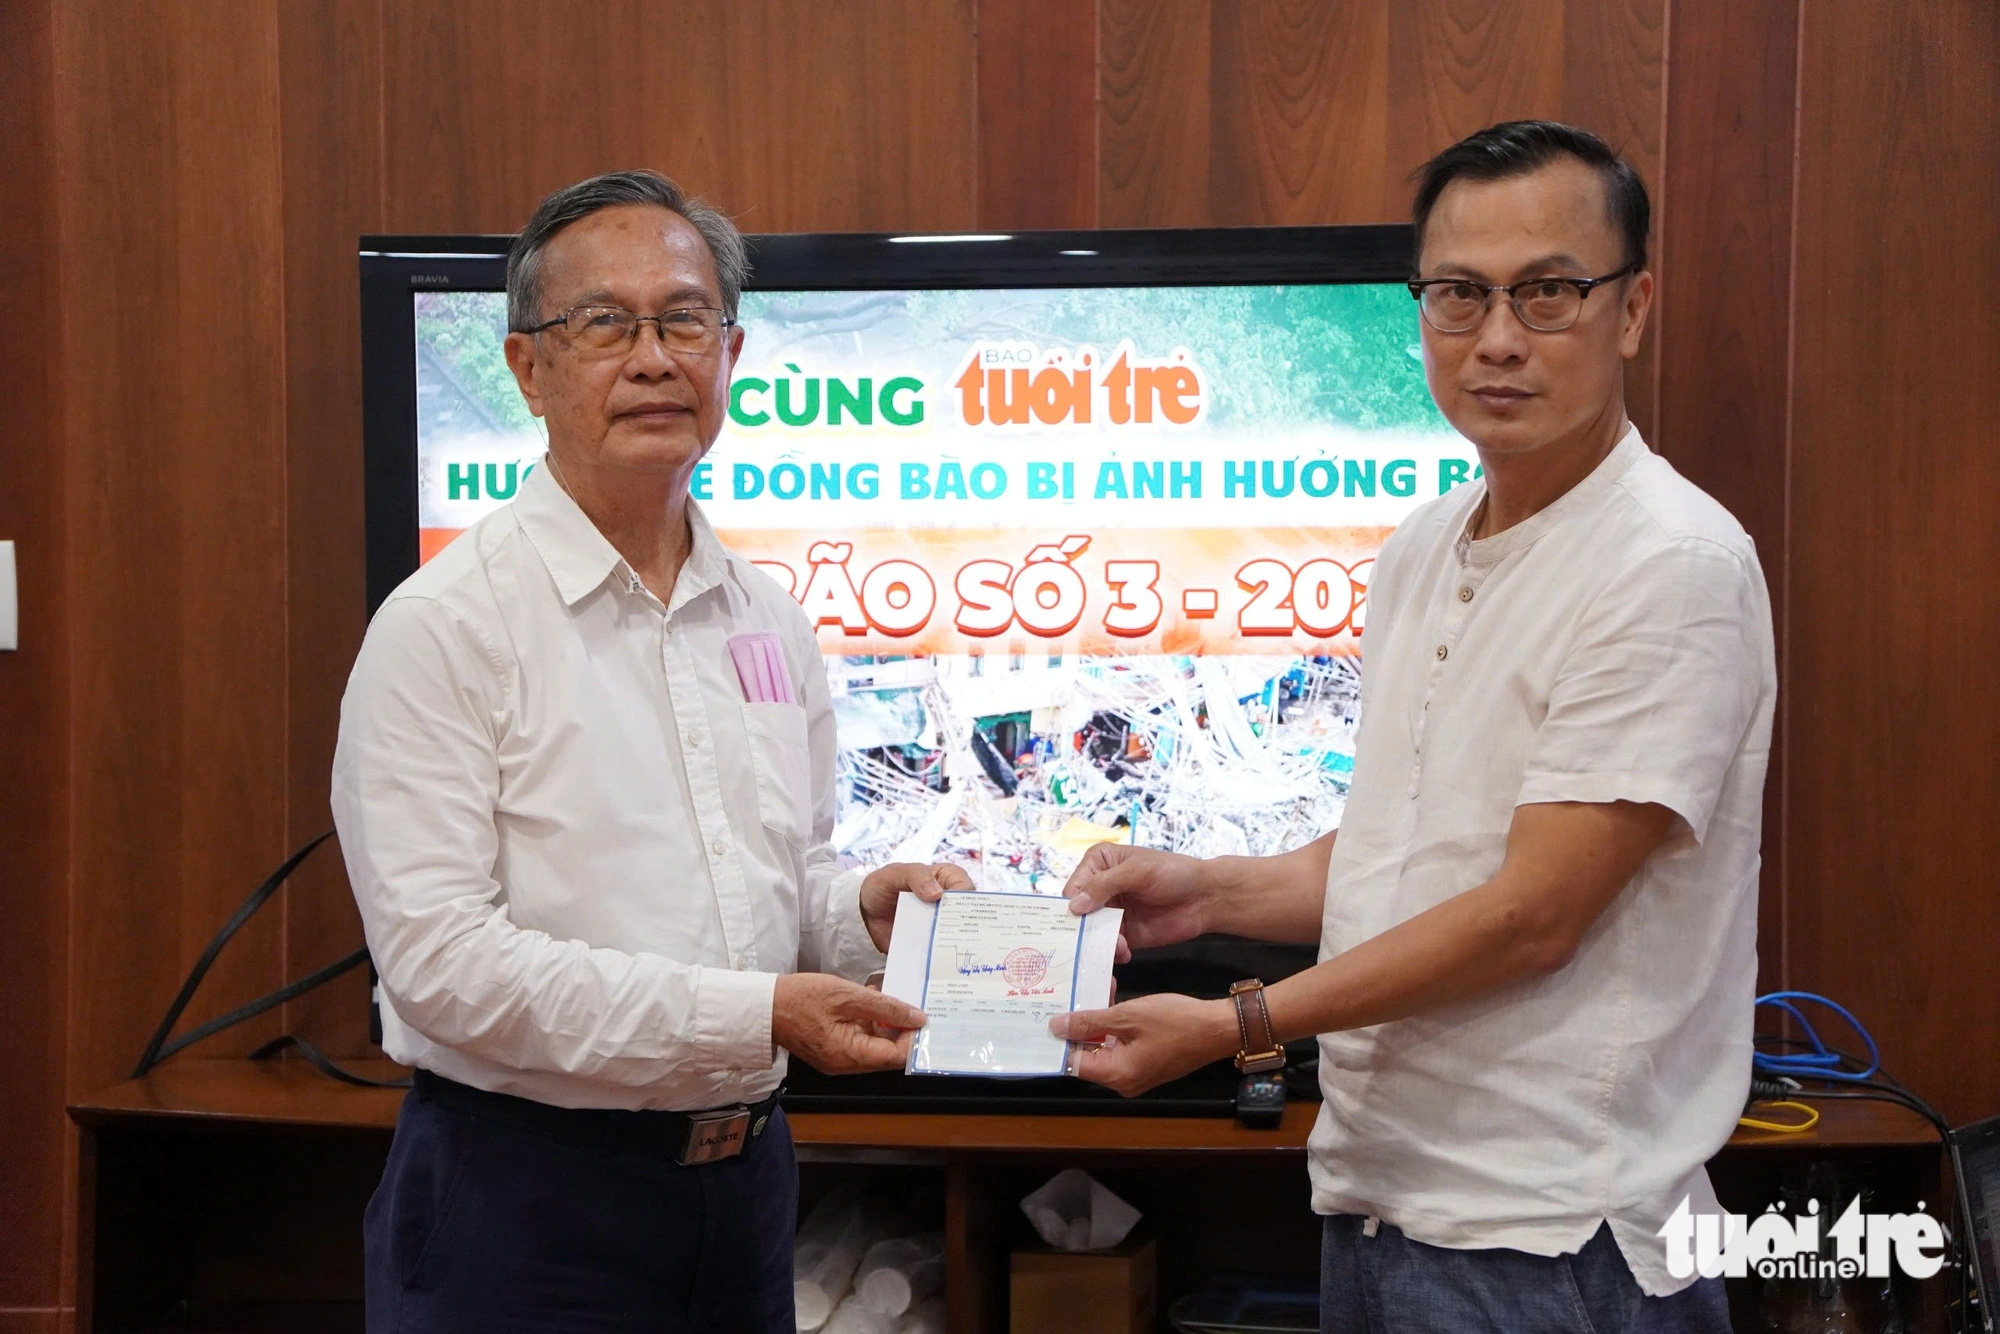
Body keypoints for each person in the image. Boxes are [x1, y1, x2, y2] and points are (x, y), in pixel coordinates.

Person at [1051, 121, 1774, 1333]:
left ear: (1631, 307)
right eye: (1457, 294)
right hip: (1381, 1198)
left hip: (1548, 1237)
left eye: (1546, 293)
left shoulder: (1670, 561)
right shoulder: (1422, 547)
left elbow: (1530, 914)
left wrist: (1237, 1022)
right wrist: (1205, 890)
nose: (1495, 338)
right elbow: (1400, 857)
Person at [332, 169, 967, 1333]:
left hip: (745, 1188)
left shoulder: (767, 618)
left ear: (730, 350)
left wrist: (862, 914)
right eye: (603, 323)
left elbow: (771, 888)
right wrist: (757, 1013)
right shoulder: (444, 625)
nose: (652, 357)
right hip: (522, 1199)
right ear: (528, 368)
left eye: (683, 320)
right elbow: (443, 966)